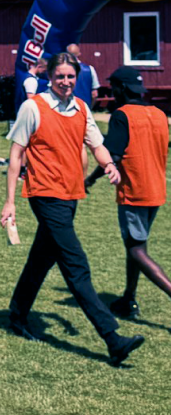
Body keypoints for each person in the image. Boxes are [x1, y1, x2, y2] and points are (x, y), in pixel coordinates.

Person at [0, 53, 144, 365]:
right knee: (76, 265)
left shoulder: (80, 107)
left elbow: (96, 144)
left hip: (70, 194)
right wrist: (9, 202)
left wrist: (109, 165)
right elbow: (16, 155)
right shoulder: (33, 107)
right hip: (44, 194)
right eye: (60, 76)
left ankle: (17, 315)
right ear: (49, 77)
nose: (65, 82)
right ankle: (112, 338)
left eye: (70, 76)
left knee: (41, 259)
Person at [86, 66, 171, 321]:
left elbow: (112, 156)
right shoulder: (159, 114)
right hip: (156, 190)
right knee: (137, 245)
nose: (113, 92)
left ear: (122, 88)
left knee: (136, 249)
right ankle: (128, 298)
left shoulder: (122, 115)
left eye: (114, 88)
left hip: (134, 191)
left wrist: (90, 179)